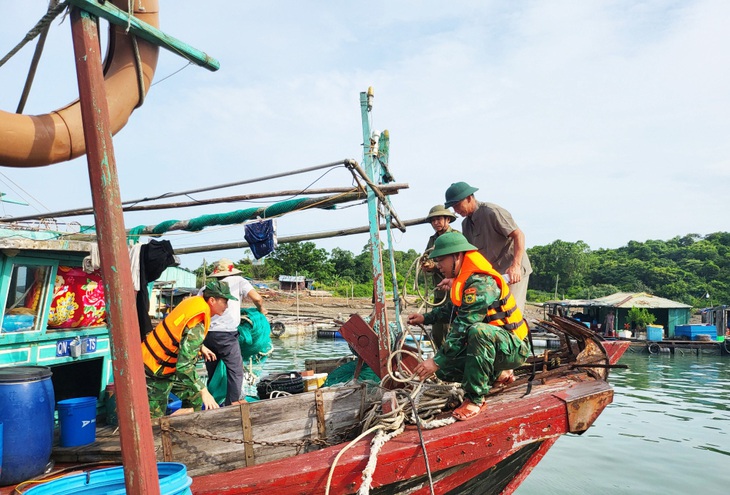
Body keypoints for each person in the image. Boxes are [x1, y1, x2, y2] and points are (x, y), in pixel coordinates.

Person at [407, 232, 530, 421]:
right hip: (496, 347)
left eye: (441, 260)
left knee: (477, 331)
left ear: (457, 256)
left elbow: (464, 324)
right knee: (445, 370)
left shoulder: (481, 283)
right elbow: (451, 309)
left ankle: (475, 399)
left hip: (513, 348)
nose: (438, 265)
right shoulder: (465, 281)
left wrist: (436, 360)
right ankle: (498, 374)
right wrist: (425, 318)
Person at [142, 279, 236, 418]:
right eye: (225, 301)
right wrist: (205, 391)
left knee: (194, 397)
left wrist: (201, 346)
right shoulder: (198, 322)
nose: (227, 306)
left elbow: (180, 333)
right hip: (154, 371)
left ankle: (181, 425)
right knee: (154, 420)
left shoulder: (193, 303)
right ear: (212, 300)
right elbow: (184, 367)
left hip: (162, 366)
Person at [444, 181, 532, 312]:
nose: (455, 210)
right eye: (453, 207)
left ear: (469, 198)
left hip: (512, 272)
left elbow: (519, 235)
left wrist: (516, 266)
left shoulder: (492, 212)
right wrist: (455, 278)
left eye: (457, 205)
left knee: (511, 313)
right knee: (492, 314)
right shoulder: (466, 225)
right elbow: (469, 256)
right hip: (493, 275)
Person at [204, 258, 267, 405]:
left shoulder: (208, 287)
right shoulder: (238, 280)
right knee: (235, 371)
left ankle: (212, 403)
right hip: (226, 335)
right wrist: (261, 310)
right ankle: (232, 406)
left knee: (213, 373)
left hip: (206, 336)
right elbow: (257, 298)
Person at [421, 204, 458, 348]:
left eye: (439, 219)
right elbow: (426, 258)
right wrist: (426, 266)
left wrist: (435, 266)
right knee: (437, 331)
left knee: (452, 329)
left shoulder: (456, 237)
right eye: (433, 220)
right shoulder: (432, 240)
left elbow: (458, 263)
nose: (436, 223)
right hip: (439, 291)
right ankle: (442, 362)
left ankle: (452, 363)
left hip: (454, 289)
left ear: (447, 219)